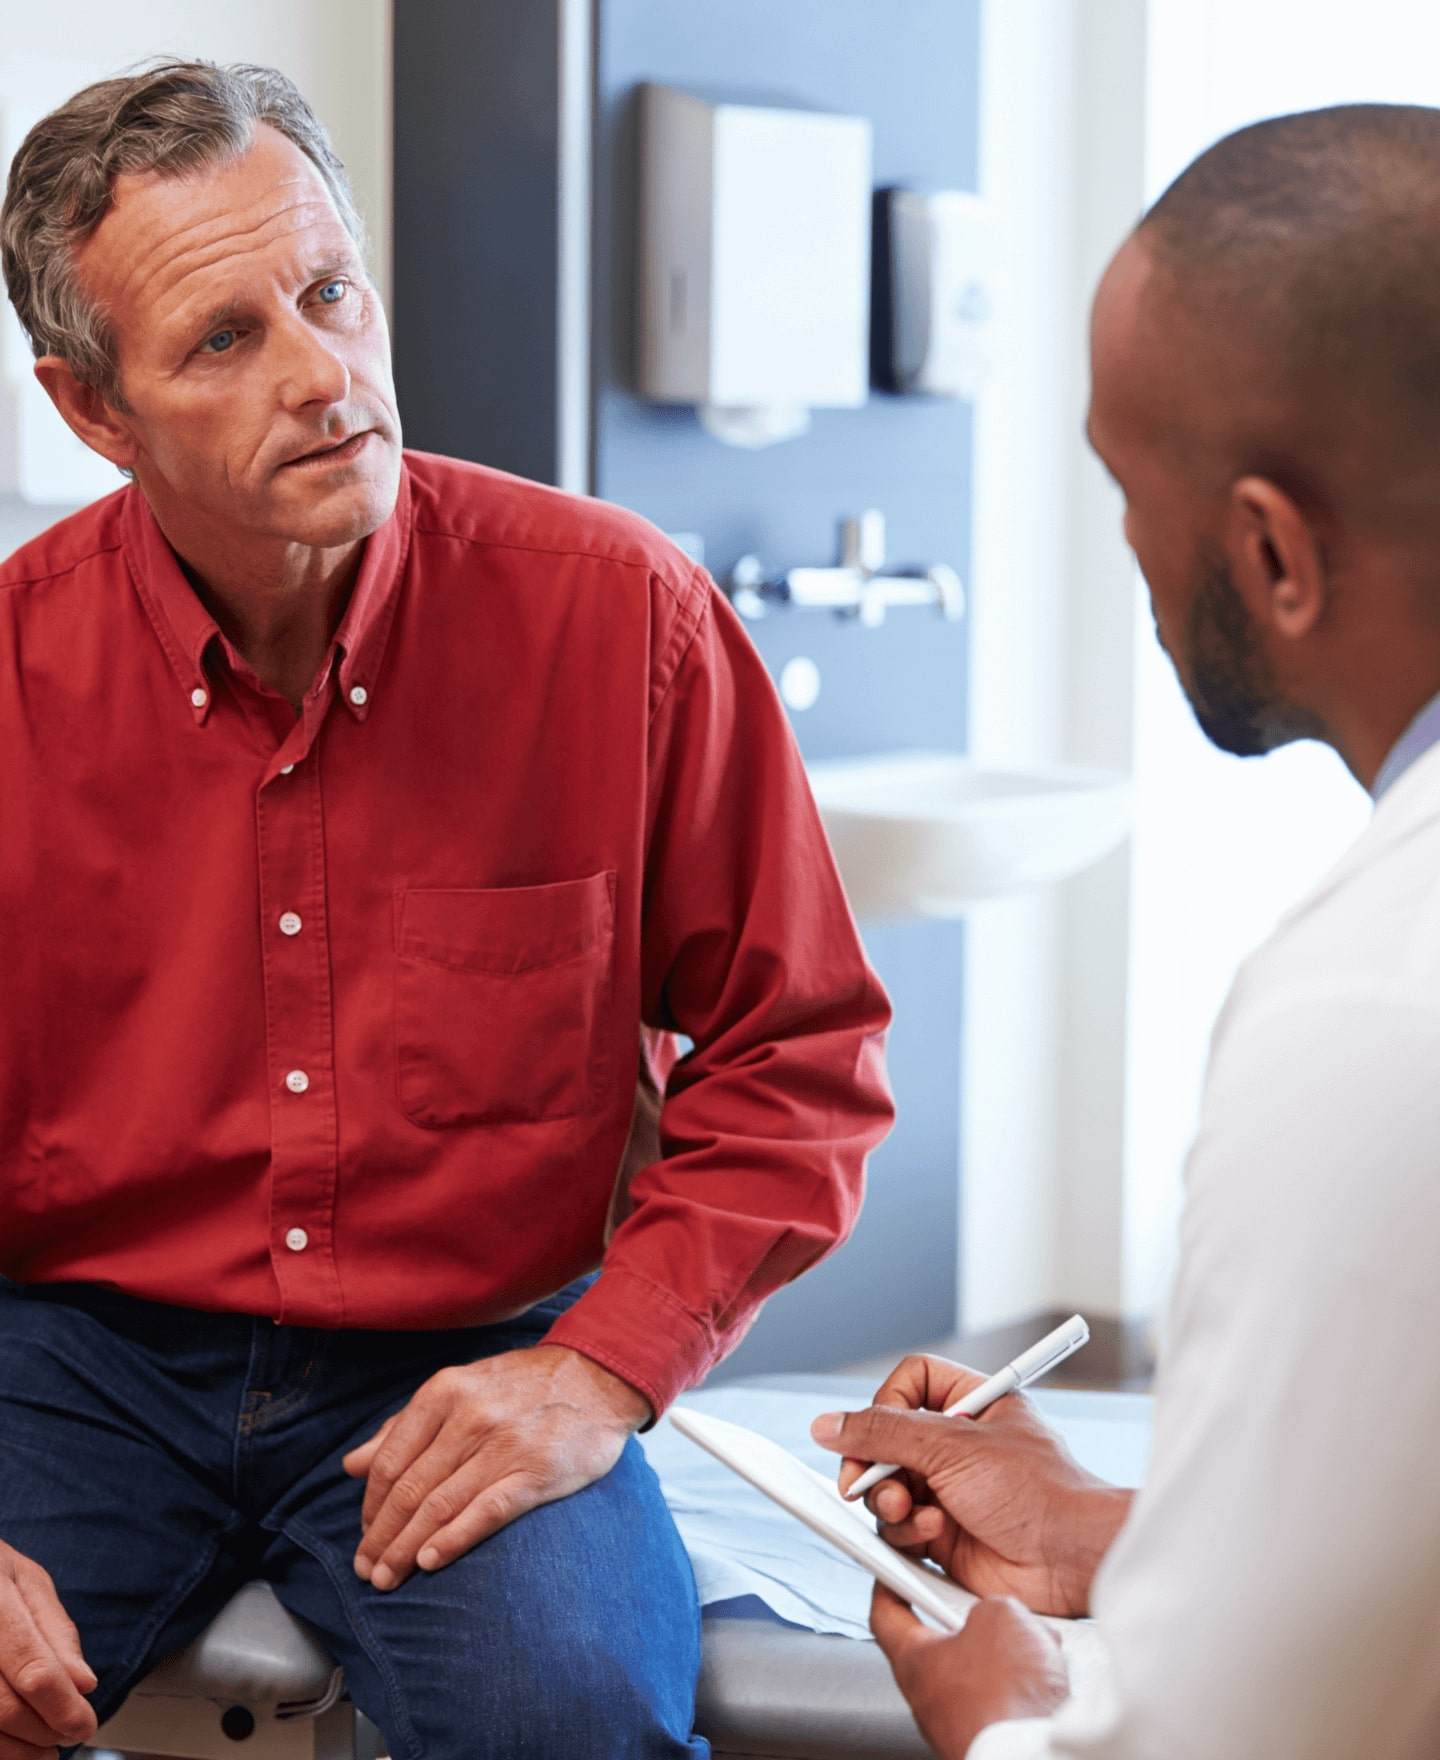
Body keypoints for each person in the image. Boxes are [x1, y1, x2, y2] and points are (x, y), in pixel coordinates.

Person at [0, 59, 894, 1760]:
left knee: (569, 1717)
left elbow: (802, 1052)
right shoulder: (8, 674)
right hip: (72, 1359)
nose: (321, 375)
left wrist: (603, 1368)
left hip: (475, 1347)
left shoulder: (624, 616)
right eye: (224, 337)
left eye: (330, 293)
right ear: (95, 412)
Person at [810, 102, 1440, 1759]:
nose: (1124, 547)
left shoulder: (1371, 1013)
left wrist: (993, 1723)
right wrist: (1122, 1539)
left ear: (1273, 552)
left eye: (1121, 485)